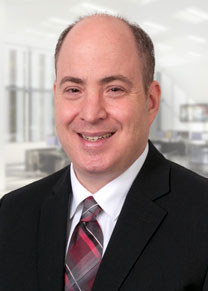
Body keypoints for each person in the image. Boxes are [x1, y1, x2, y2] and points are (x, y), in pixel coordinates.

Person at [1, 13, 208, 291]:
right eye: (74, 89)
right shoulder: (11, 213)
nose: (91, 113)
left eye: (114, 89)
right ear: (56, 97)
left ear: (151, 101)